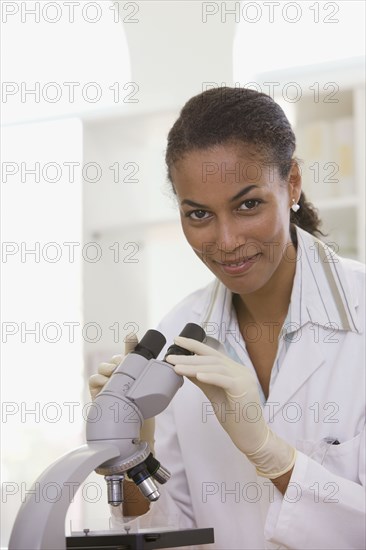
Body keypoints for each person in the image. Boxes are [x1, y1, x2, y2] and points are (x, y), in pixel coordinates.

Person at [89, 87, 365, 549]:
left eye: (248, 204)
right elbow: (167, 535)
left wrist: (272, 455)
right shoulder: (176, 333)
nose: (227, 239)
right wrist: (132, 457)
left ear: (292, 183)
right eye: (199, 214)